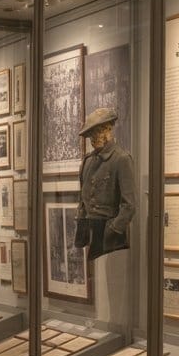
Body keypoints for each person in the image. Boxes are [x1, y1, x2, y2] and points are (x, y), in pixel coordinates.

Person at [73, 107, 136, 261]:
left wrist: (113, 229)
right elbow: (83, 200)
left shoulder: (121, 159)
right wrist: (82, 226)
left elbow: (129, 205)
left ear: (109, 130)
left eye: (98, 132)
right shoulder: (87, 161)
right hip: (89, 230)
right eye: (91, 134)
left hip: (110, 236)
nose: (93, 138)